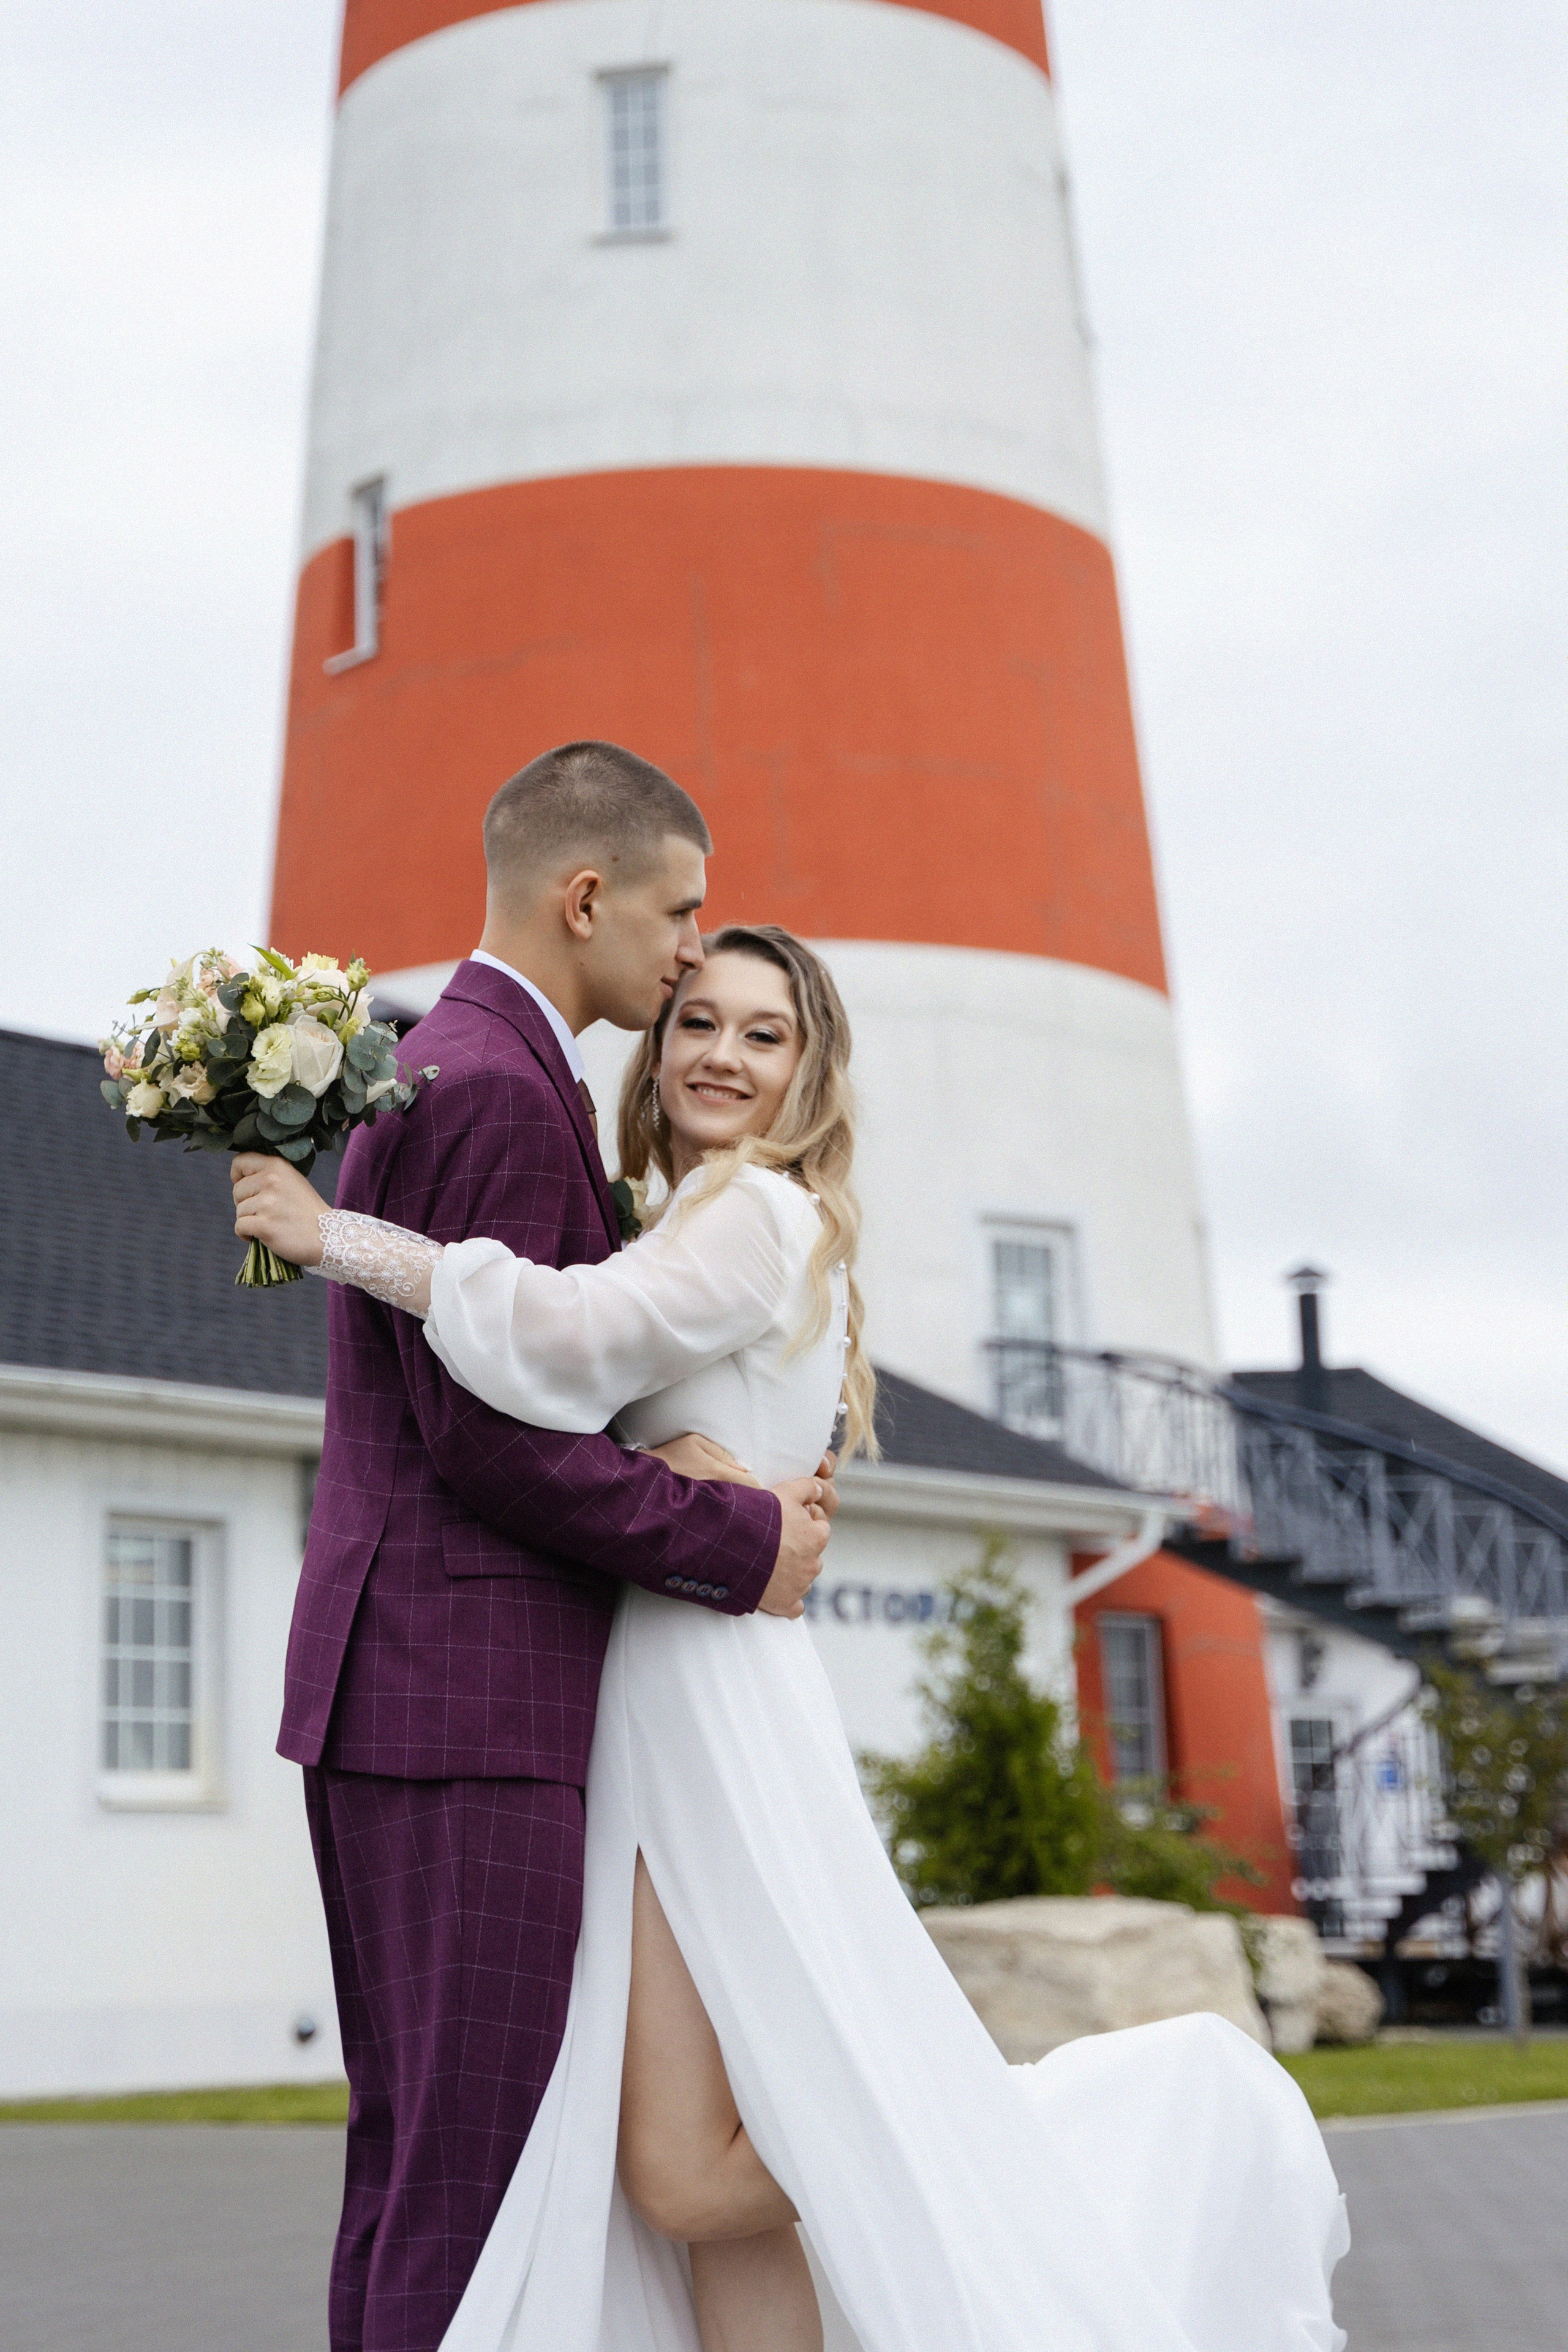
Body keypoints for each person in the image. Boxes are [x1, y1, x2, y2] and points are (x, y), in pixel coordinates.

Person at [237, 923, 1350, 2352]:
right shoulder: (693, 1206)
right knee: (697, 2154)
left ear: (810, 1068)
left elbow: (574, 1337)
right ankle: (922, 2139)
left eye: (764, 1035)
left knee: (685, 2169)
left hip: (702, 1707)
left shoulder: (755, 1213)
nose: (720, 1054)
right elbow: (614, 1378)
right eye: (697, 1020)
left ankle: (964, 2145)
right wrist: (680, 1469)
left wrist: (341, 1239)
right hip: (667, 1687)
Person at [265, 742, 836, 2352]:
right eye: (677, 917)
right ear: (588, 896)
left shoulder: (439, 1058)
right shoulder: (505, 1093)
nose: (684, 956)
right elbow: (497, 1439)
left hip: (413, 1686)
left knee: (416, 2166)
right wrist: (739, 1536)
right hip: (467, 1695)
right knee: (472, 2178)